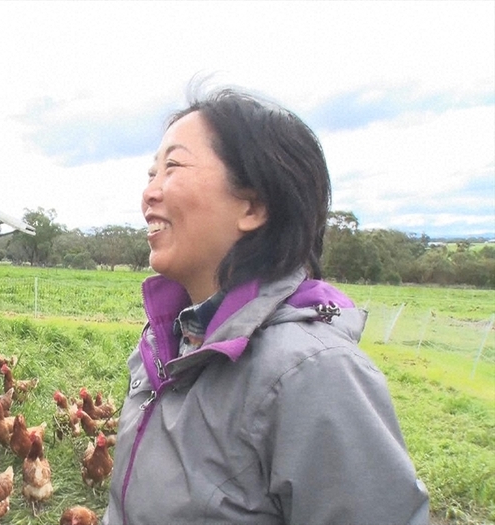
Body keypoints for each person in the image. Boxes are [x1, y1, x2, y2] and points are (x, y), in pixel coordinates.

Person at [103, 88, 430, 525]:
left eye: (173, 167)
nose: (149, 194)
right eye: (150, 173)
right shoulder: (166, 344)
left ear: (253, 205)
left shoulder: (315, 373)